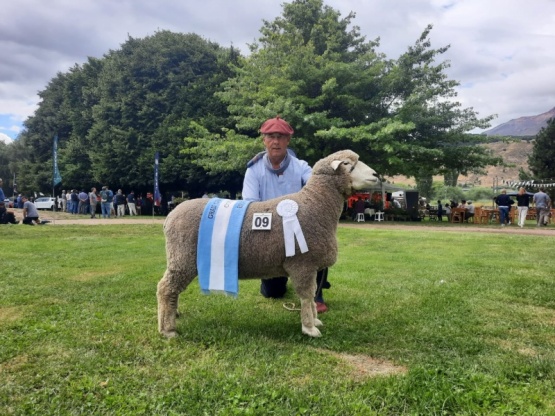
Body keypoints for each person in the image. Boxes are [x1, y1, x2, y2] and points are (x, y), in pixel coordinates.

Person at [242, 116, 330, 313]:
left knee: (319, 243)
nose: (276, 141)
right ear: (264, 140)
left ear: (288, 141)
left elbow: (317, 187)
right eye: (271, 136)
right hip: (271, 234)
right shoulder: (253, 170)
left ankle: (317, 295)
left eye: (281, 137)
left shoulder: (302, 166)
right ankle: (279, 280)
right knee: (273, 293)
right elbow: (249, 205)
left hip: (300, 230)